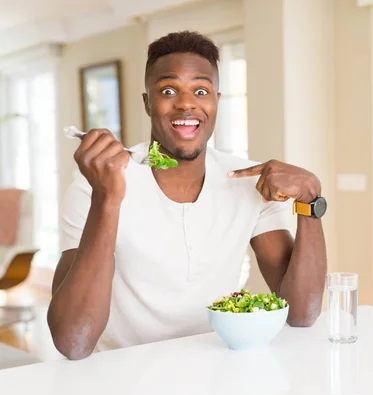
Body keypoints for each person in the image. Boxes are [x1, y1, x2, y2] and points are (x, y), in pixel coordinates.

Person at [48, 31, 328, 360]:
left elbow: (302, 312)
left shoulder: (247, 181)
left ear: (216, 101)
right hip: (124, 378)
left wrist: (310, 199)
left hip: (218, 371)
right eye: (168, 90)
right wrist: (107, 197)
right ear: (147, 102)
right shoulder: (94, 184)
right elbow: (73, 342)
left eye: (200, 90)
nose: (186, 103)